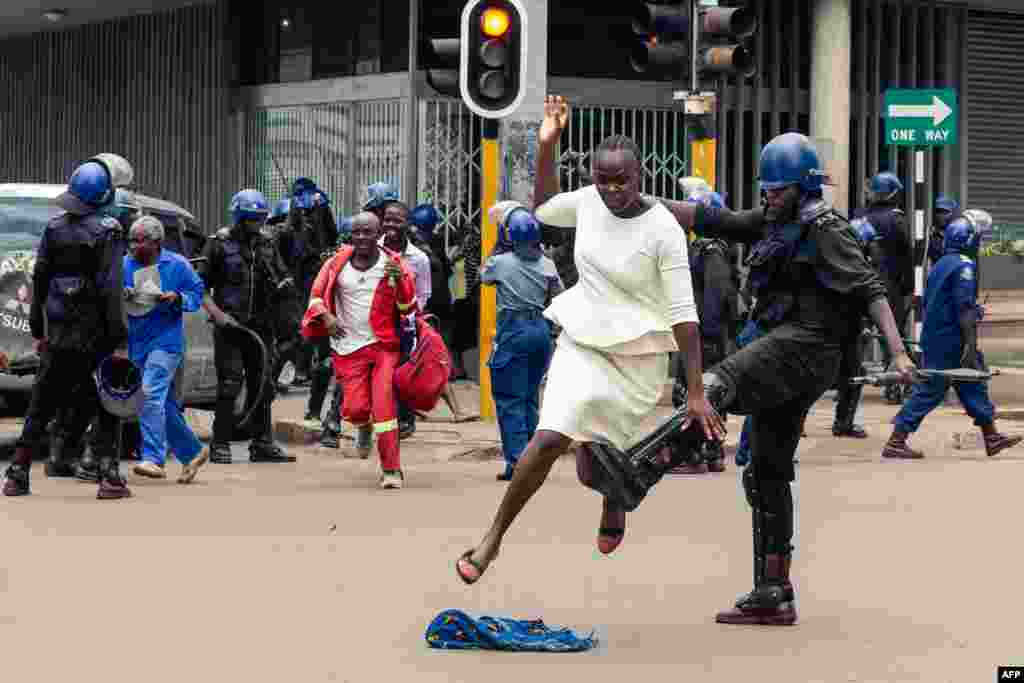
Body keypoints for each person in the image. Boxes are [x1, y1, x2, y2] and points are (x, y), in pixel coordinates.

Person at [454, 96, 722, 584]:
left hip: (637, 358)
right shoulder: (588, 202)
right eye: (603, 179)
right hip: (582, 342)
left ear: (640, 176)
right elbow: (545, 208)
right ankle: (491, 539)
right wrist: (546, 145)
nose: (613, 189)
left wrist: (696, 391)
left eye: (623, 180)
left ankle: (613, 505)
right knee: (548, 436)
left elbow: (684, 315)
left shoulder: (663, 228)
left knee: (598, 460)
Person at [656, 132, 914, 625]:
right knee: (765, 472)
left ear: (805, 186)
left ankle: (643, 466)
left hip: (806, 347)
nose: (769, 197)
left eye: (779, 189)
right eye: (767, 189)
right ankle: (774, 592)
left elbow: (871, 291)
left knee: (716, 383)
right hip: (786, 349)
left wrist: (899, 351)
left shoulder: (826, 229)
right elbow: (717, 219)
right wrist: (646, 203)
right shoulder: (775, 220)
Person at [3, 154, 136, 498]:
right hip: (96, 336)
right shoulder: (109, 231)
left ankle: (17, 474)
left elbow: (40, 280)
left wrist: (38, 331)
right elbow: (110, 290)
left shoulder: (54, 228)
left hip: (59, 334)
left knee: (41, 404)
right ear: (104, 196)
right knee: (108, 403)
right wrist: (119, 340)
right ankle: (109, 478)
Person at [883, 217, 1021, 460]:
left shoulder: (942, 263)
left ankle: (991, 437)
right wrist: (969, 343)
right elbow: (963, 309)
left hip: (938, 334)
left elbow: (940, 302)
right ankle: (896, 440)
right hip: (951, 339)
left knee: (972, 384)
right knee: (932, 388)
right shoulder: (963, 266)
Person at [302, 212, 418, 488]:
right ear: (350, 235)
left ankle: (391, 471)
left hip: (383, 347)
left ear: (379, 234)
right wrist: (327, 318)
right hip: (347, 349)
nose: (362, 238)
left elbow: (408, 308)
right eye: (357, 232)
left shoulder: (393, 264)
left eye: (368, 232)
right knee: (354, 410)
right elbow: (316, 297)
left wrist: (400, 281)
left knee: (384, 407)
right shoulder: (335, 264)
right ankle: (362, 427)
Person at [198, 189, 294, 465]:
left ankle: (262, 443)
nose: (256, 224)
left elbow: (282, 279)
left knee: (262, 384)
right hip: (230, 327)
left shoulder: (267, 245)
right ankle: (220, 443)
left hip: (261, 327)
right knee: (230, 385)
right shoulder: (218, 244)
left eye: (260, 219)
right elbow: (200, 288)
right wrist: (217, 315)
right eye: (251, 219)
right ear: (239, 218)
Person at [122, 215, 209, 482]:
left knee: (149, 394)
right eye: (132, 241)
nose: (135, 247)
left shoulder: (177, 265)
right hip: (137, 342)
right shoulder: (124, 264)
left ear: (157, 243)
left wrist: (178, 297)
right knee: (162, 404)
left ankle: (153, 459)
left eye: (141, 241)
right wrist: (122, 293)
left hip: (166, 342)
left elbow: (197, 293)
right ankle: (192, 452)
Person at [481, 201, 563, 481]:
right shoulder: (548, 264)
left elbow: (484, 276)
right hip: (540, 331)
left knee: (508, 399)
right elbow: (558, 298)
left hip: (513, 332)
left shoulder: (501, 263)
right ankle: (532, 460)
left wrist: (498, 244)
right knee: (529, 399)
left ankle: (518, 462)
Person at [670, 189, 737, 474]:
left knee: (692, 393)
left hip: (704, 336)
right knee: (709, 394)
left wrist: (703, 334)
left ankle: (693, 455)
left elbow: (717, 292)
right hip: (707, 335)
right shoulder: (710, 247)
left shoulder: (710, 250)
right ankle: (713, 452)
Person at [379, 200, 432, 440]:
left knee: (402, 372)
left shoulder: (419, 258)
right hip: (374, 324)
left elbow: (423, 293)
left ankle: (405, 419)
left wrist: (409, 314)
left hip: (404, 327)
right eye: (387, 219)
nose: (391, 224)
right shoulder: (370, 250)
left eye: (397, 220)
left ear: (407, 224)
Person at [859, 173, 913, 404]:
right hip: (889, 286)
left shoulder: (860, 218)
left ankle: (846, 387)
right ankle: (896, 387)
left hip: (860, 284)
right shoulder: (897, 219)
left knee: (857, 337)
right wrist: (909, 289)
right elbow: (907, 258)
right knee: (894, 337)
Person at [929, 194, 960, 267]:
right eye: (938, 212)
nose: (941, 215)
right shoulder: (932, 233)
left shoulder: (959, 233)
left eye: (945, 212)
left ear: (953, 213)